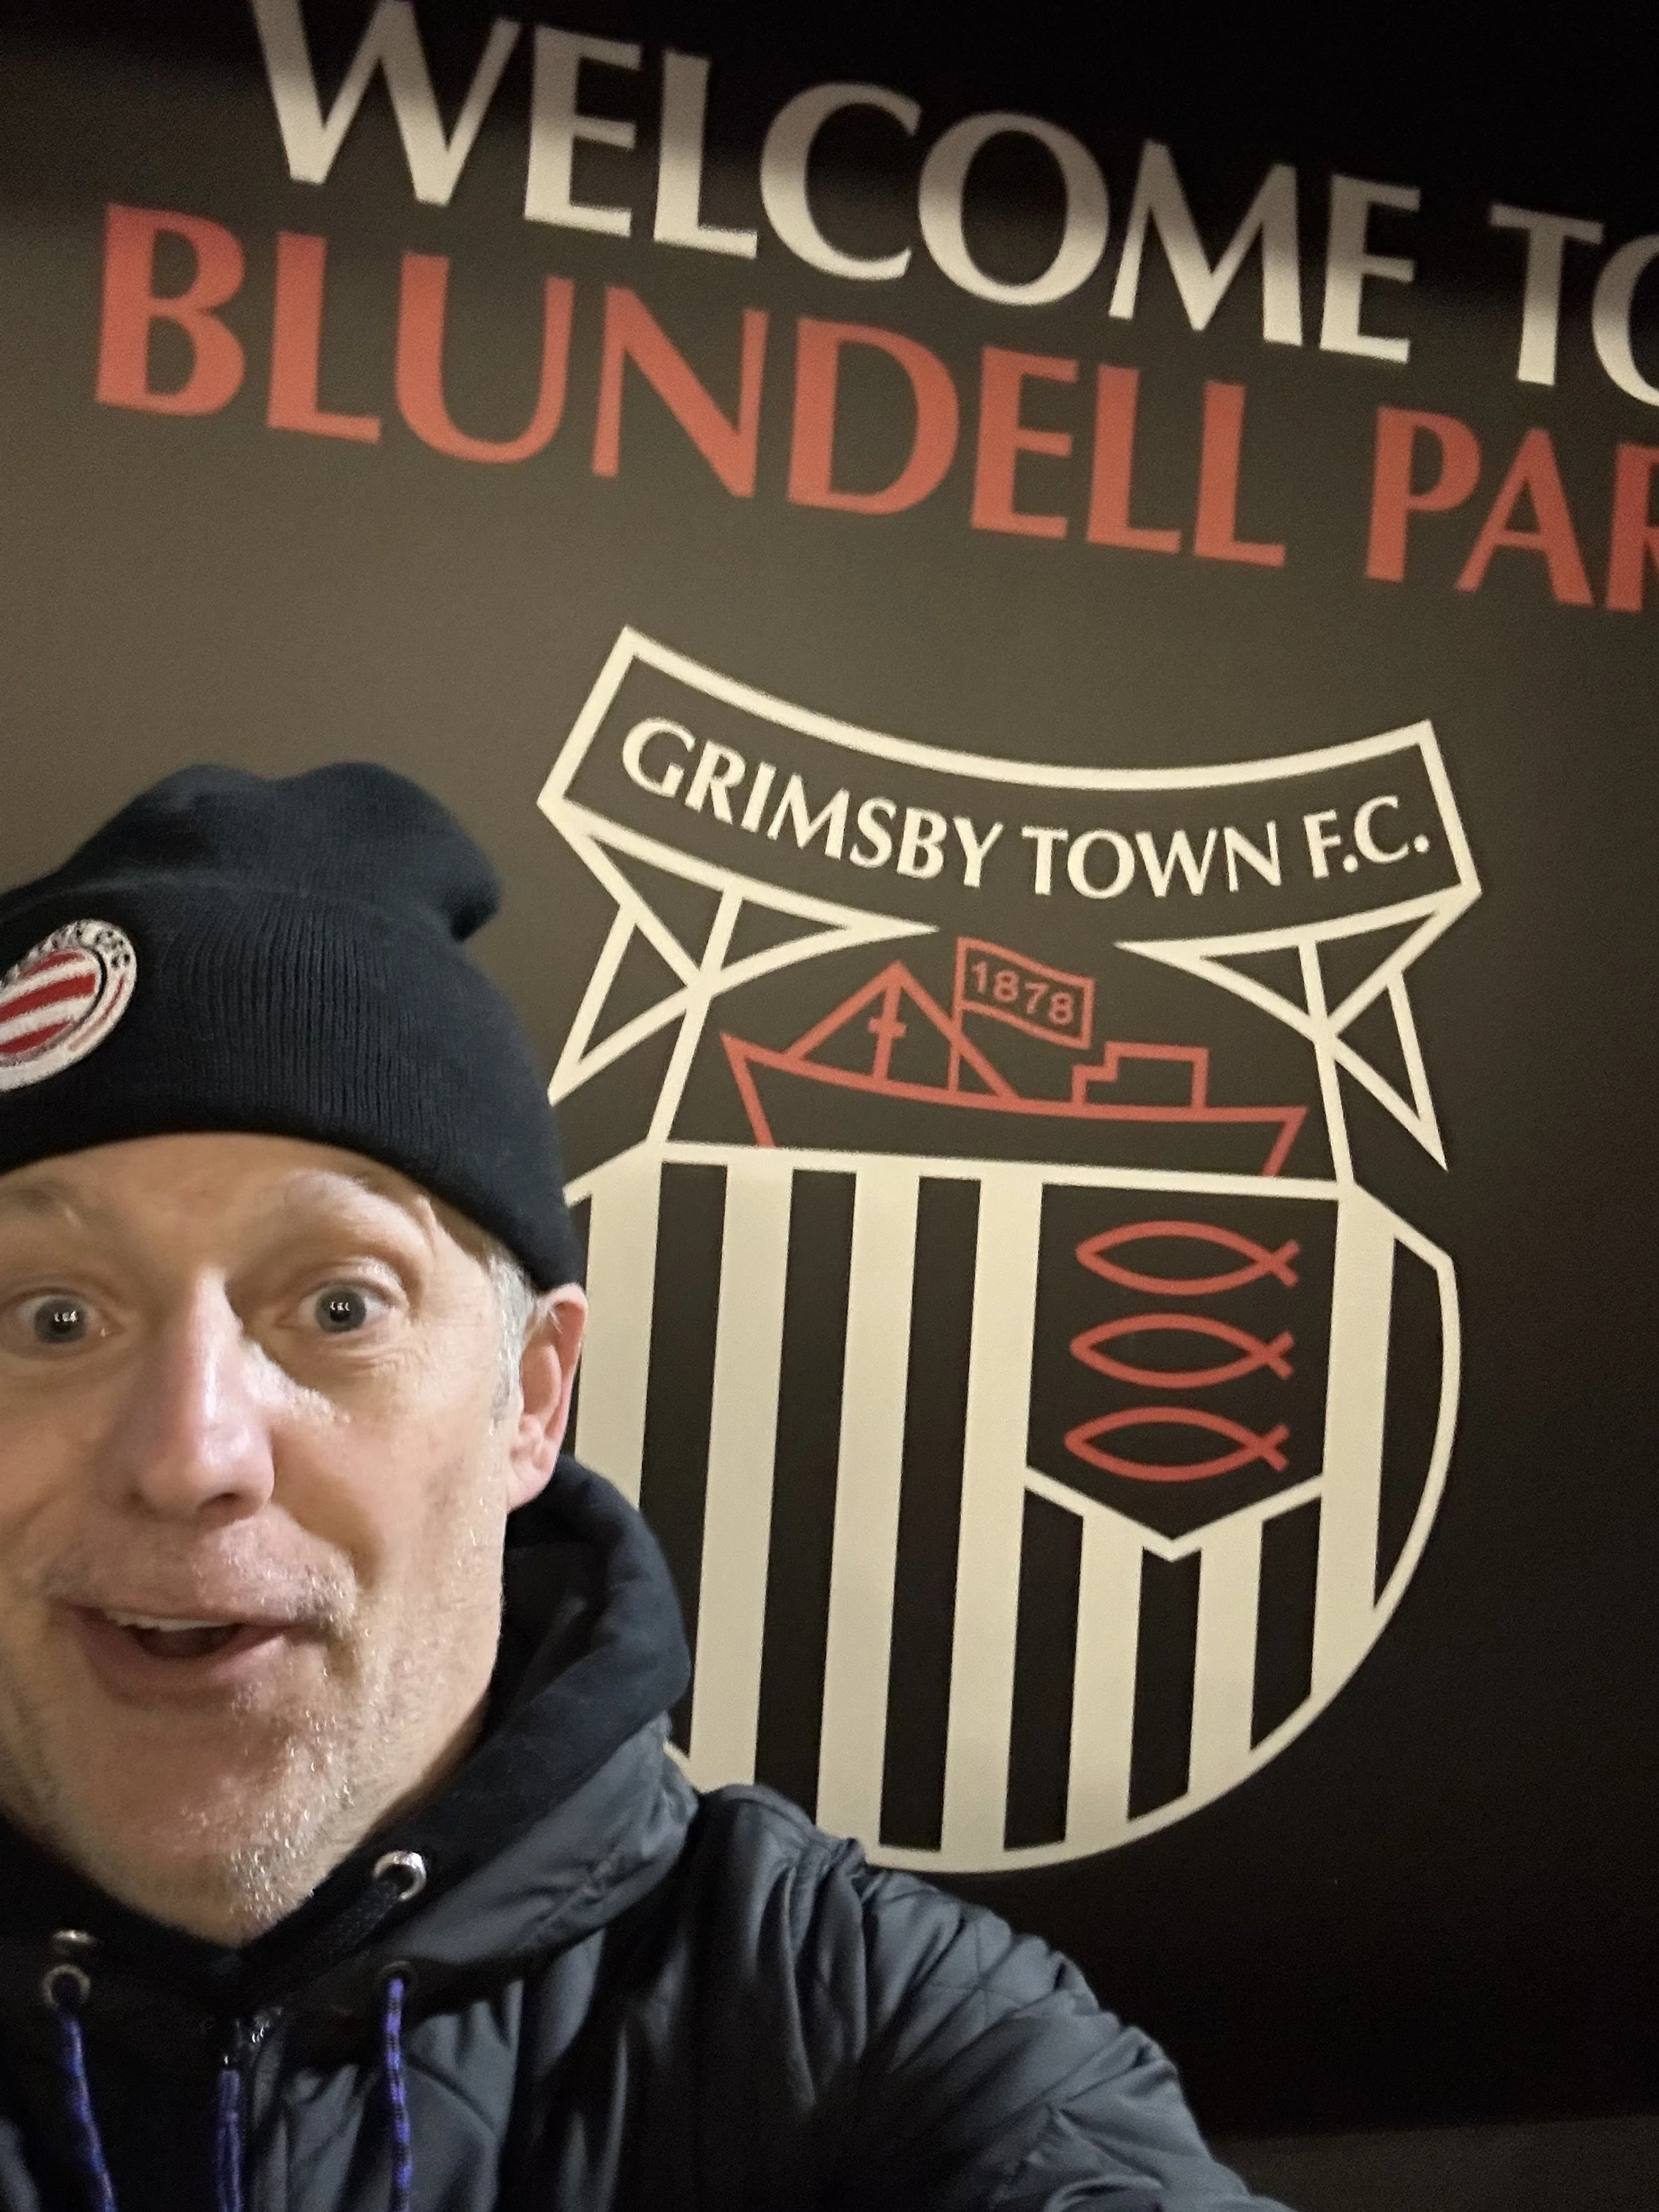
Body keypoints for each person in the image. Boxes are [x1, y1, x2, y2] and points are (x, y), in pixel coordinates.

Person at [0, 763, 1288, 2212]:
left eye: (341, 1308)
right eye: (55, 1316)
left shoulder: (864, 2025)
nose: (189, 1455)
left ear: (530, 1400)